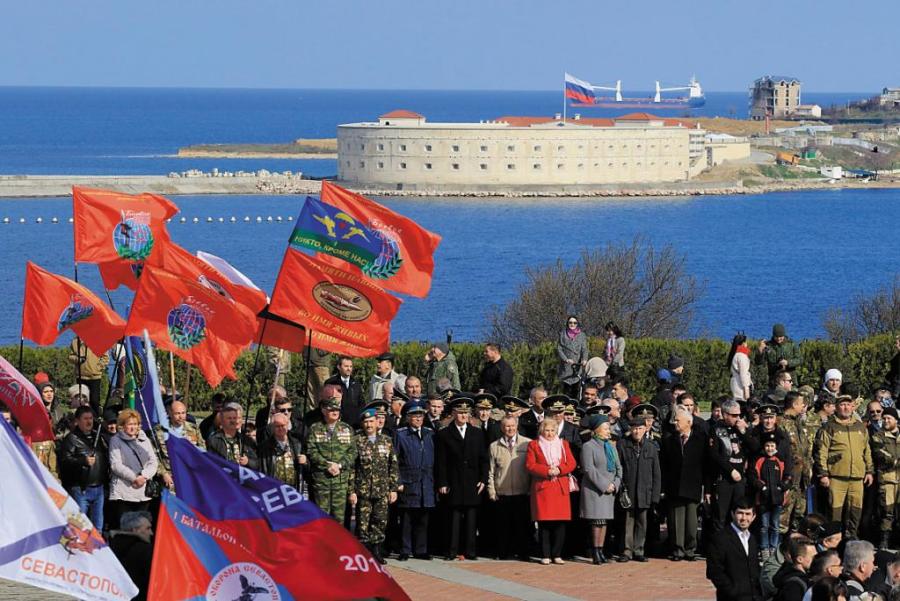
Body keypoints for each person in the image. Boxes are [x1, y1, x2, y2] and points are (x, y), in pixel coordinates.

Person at [435, 397, 488, 560]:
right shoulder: (444, 434)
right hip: (454, 481)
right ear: (453, 413)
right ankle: (451, 550)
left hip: (472, 481)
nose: (463, 416)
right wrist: (442, 481)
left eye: (466, 413)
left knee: (472, 518)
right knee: (454, 518)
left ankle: (471, 551)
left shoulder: (477, 433)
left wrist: (483, 479)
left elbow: (483, 459)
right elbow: (441, 461)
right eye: (460, 413)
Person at [815, 395, 874, 539]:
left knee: (855, 510)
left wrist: (869, 471)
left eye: (849, 404)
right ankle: (833, 540)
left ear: (853, 407)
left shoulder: (860, 427)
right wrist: (823, 474)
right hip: (836, 477)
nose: (846, 407)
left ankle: (851, 537)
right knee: (834, 511)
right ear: (836, 407)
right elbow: (821, 451)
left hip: (857, 478)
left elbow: (866, 450)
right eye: (842, 405)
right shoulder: (829, 427)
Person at [349, 407, 399, 564]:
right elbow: (352, 467)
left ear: (378, 422)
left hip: (382, 490)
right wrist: (352, 491)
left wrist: (393, 488)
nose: (369, 424)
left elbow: (394, 465)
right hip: (363, 490)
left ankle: (376, 551)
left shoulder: (387, 441)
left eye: (371, 421)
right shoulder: (357, 441)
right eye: (366, 421)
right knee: (362, 523)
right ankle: (363, 553)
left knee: (380, 521)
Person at [527, 416, 577, 565]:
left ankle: (557, 554)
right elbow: (530, 465)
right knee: (544, 524)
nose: (549, 433)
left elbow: (572, 463)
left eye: (552, 430)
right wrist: (547, 471)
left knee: (560, 524)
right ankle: (545, 554)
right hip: (544, 488)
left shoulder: (564, 444)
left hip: (560, 488)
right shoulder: (534, 445)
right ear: (541, 430)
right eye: (547, 430)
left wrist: (560, 469)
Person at [662, 406, 707, 561]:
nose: (675, 423)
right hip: (674, 486)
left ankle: (690, 549)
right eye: (674, 420)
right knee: (676, 521)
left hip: (693, 485)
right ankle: (677, 550)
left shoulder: (700, 440)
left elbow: (705, 465)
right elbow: (664, 464)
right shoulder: (669, 440)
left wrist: (705, 488)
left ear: (689, 422)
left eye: (678, 420)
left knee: (691, 521)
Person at [393, 401, 435, 561]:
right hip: (409, 481)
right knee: (407, 518)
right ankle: (405, 549)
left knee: (423, 518)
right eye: (415, 416)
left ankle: (421, 549)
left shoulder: (429, 433)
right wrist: (397, 481)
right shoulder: (401, 434)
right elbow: (395, 460)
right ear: (408, 417)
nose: (418, 419)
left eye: (421, 415)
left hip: (426, 481)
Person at [617, 414, 661, 563]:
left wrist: (655, 495)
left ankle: (639, 550)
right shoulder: (623, 444)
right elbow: (619, 468)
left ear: (645, 429)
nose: (637, 431)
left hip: (645, 491)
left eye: (640, 428)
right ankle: (627, 550)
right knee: (627, 522)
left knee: (642, 522)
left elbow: (656, 473)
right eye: (634, 428)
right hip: (628, 491)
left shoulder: (651, 447)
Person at [306, 394, 357, 523]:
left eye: (337, 410)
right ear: (324, 411)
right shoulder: (315, 428)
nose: (335, 412)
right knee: (321, 517)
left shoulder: (347, 429)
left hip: (340, 481)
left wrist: (339, 465)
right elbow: (311, 451)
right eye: (331, 410)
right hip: (321, 481)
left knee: (338, 519)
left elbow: (353, 452)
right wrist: (326, 465)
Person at [487, 415, 532, 561]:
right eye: (507, 426)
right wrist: (492, 491)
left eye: (512, 426)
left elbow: (532, 469)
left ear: (517, 426)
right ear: (501, 428)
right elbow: (491, 471)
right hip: (503, 492)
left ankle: (523, 553)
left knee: (522, 526)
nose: (510, 429)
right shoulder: (494, 446)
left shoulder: (527, 444)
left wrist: (531, 489)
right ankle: (503, 553)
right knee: (502, 526)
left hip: (522, 492)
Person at [108, 408, 158, 530]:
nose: (133, 427)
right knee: (126, 528)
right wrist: (134, 478)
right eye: (130, 424)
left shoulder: (144, 439)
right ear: (123, 425)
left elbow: (153, 461)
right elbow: (116, 464)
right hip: (124, 491)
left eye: (135, 424)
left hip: (143, 491)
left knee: (141, 528)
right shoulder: (116, 440)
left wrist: (144, 476)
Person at [60, 405, 109, 531]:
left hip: (99, 488)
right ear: (77, 421)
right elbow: (64, 461)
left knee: (98, 527)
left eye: (91, 418)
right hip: (81, 489)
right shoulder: (71, 438)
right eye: (85, 418)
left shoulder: (97, 437)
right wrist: (82, 461)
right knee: (80, 526)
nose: (89, 422)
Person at [710, 399, 755, 532]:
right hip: (724, 478)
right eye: (734, 415)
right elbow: (714, 455)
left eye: (739, 415)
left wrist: (744, 432)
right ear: (725, 414)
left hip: (740, 479)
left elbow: (755, 448)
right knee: (721, 515)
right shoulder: (716, 429)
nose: (737, 418)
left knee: (738, 514)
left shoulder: (741, 427)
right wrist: (730, 471)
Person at [706, 500, 763, 601]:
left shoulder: (752, 539)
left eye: (748, 514)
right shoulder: (720, 538)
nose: (744, 518)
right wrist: (732, 591)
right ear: (732, 514)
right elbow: (714, 571)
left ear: (753, 516)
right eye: (740, 513)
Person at [750, 431, 790, 561]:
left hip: (777, 499)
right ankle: (764, 548)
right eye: (767, 446)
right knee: (764, 525)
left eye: (772, 446)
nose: (770, 449)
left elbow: (788, 476)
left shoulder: (780, 460)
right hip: (763, 499)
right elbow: (753, 476)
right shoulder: (760, 460)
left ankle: (774, 547)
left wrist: (782, 487)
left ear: (776, 447)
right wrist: (762, 487)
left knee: (775, 525)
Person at [154, 400, 205, 492]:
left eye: (183, 413)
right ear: (169, 413)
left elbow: (202, 451)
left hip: (190, 476)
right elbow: (154, 456)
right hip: (171, 479)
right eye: (177, 413)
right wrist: (163, 473)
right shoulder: (160, 431)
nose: (181, 416)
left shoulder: (193, 429)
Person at [870, 406, 900, 549]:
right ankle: (884, 542)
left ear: (896, 420)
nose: (886, 421)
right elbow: (881, 455)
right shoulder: (878, 436)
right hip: (887, 480)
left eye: (889, 418)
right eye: (884, 418)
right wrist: (896, 461)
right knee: (886, 512)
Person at [109, 511, 154, 601]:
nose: (151, 533)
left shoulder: (109, 548)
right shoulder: (146, 550)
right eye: (148, 528)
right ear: (135, 530)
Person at [259, 412, 306, 490]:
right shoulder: (265, 447)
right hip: (274, 489)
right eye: (277, 426)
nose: (280, 428)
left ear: (287, 425)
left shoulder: (297, 443)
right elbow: (262, 469)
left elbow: (308, 469)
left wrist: (305, 461)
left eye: (283, 425)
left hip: (294, 489)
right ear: (272, 427)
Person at [206, 403, 258, 469]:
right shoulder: (214, 440)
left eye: (238, 418)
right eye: (230, 418)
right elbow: (211, 464)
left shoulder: (247, 440)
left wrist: (248, 461)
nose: (234, 421)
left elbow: (257, 464)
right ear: (222, 420)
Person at [68, 338, 109, 415]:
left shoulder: (99, 341)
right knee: (81, 401)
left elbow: (105, 357)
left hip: (95, 377)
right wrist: (78, 359)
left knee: (94, 400)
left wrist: (98, 368)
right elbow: (70, 356)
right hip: (81, 376)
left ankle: (96, 418)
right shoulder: (75, 341)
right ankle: (82, 418)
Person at [325, 356, 365, 429]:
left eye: (350, 366)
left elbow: (361, 403)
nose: (349, 369)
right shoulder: (331, 382)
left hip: (354, 425)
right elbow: (326, 403)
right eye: (346, 366)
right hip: (337, 423)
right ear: (339, 367)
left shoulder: (356, 383)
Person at [773, 537, 817, 601]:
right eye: (813, 557)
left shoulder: (806, 577)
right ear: (799, 559)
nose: (816, 560)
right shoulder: (794, 586)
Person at [557, 316, 588, 399]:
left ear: (577, 324)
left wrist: (584, 359)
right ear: (567, 323)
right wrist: (566, 359)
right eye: (570, 322)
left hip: (577, 367)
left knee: (576, 392)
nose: (572, 324)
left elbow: (584, 349)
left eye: (574, 323)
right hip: (566, 368)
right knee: (565, 393)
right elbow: (559, 349)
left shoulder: (582, 335)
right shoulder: (562, 334)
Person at [303, 345, 332, 417]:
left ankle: (327, 415)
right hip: (309, 362)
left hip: (321, 363)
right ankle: (314, 416)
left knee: (326, 392)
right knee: (311, 392)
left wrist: (321, 351)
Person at [729, 333, 753, 401]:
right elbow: (743, 374)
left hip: (735, 383)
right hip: (741, 387)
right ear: (743, 343)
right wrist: (746, 389)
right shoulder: (742, 356)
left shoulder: (735, 354)